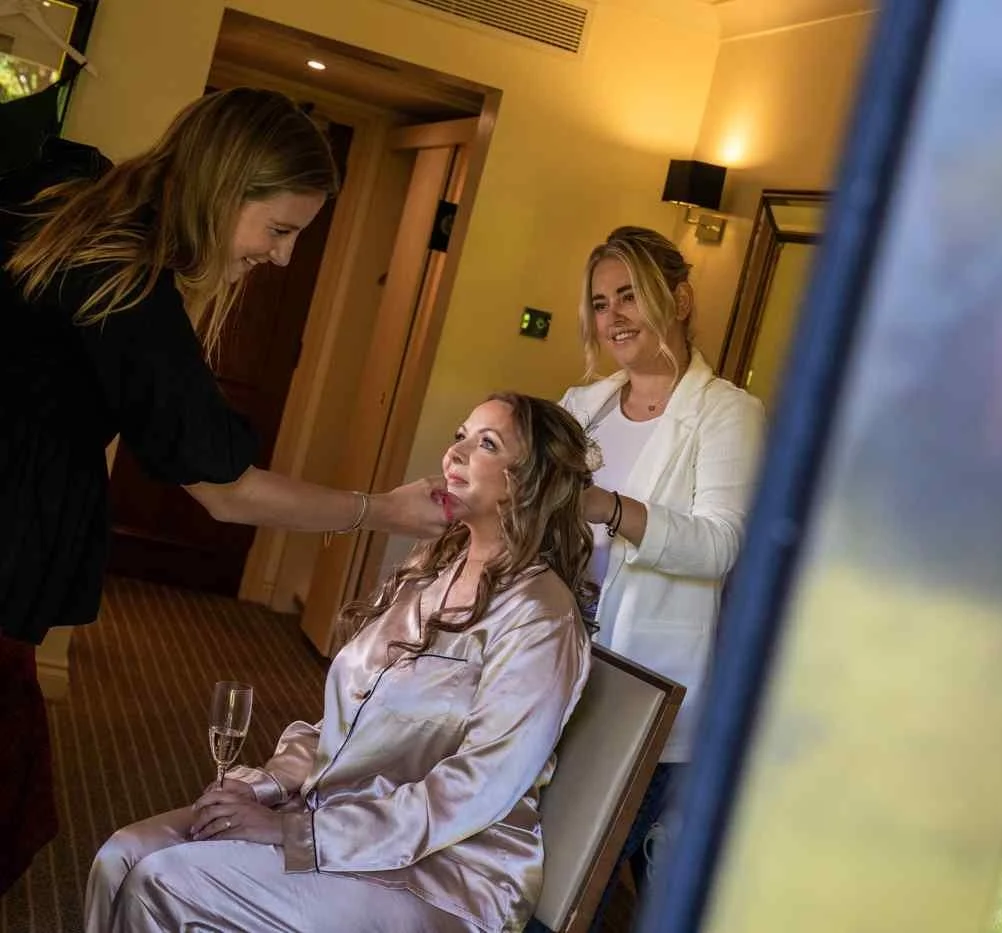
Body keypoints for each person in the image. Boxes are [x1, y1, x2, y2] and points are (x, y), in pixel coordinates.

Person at [0, 87, 448, 894]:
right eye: (279, 230)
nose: (281, 258)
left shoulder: (72, 202)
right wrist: (379, 509)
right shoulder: (127, 284)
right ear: (223, 187)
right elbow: (227, 490)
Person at [85, 393, 597, 933]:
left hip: (446, 877)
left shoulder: (541, 616)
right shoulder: (428, 571)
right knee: (121, 857)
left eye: (486, 444)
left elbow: (478, 788)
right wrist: (260, 788)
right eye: (459, 435)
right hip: (333, 817)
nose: (456, 454)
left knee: (163, 883)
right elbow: (341, 728)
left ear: (532, 481)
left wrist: (294, 835)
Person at [560, 226, 765, 923]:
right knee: (540, 865)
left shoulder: (726, 412)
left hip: (648, 688)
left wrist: (608, 508)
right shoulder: (580, 405)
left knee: (579, 883)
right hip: (558, 669)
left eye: (629, 295)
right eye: (599, 302)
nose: (612, 315)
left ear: (678, 298)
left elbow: (720, 545)